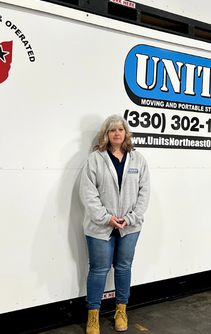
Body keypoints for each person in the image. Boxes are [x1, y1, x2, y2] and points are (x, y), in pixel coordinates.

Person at [80, 115, 150, 333]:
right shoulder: (95, 159)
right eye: (112, 130)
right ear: (106, 134)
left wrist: (130, 218)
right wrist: (105, 218)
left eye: (121, 129)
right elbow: (88, 193)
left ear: (126, 133)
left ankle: (121, 310)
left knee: (123, 268)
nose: (117, 133)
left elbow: (144, 193)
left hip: (129, 227)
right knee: (99, 269)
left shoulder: (138, 160)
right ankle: (93, 315)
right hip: (100, 226)